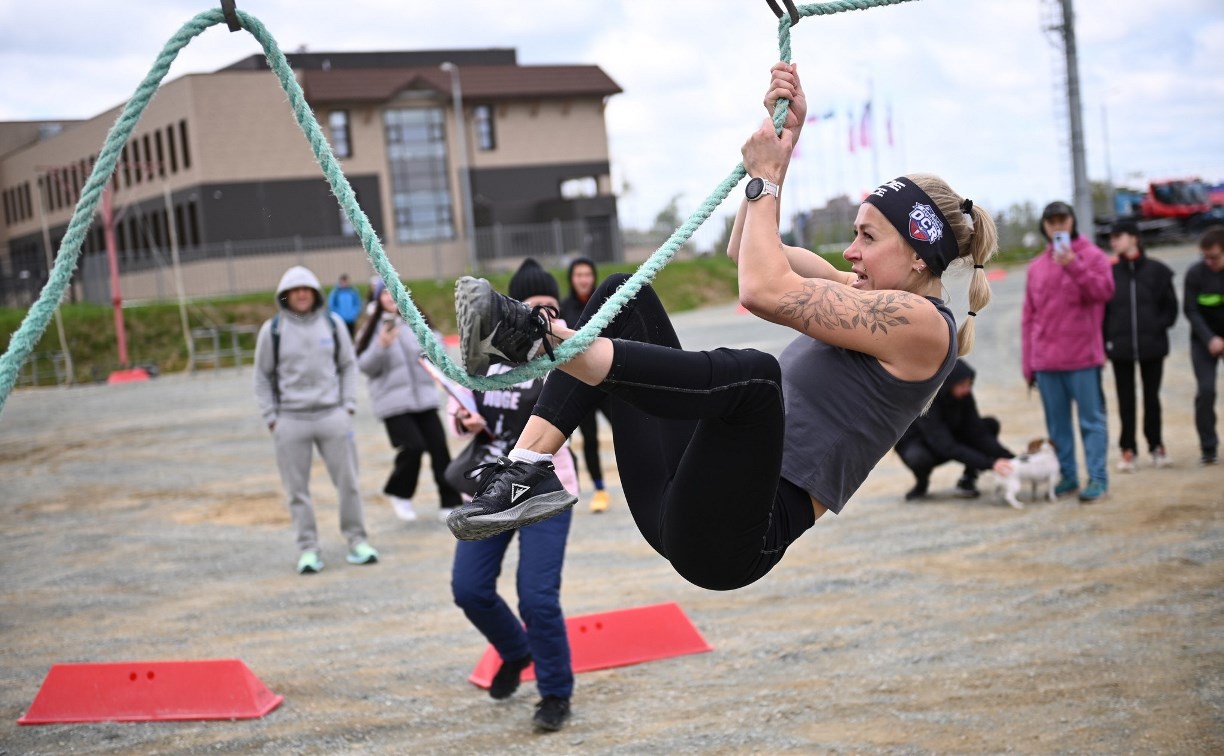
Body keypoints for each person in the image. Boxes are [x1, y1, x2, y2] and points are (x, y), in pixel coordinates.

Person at [444, 62, 999, 592]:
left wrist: (768, 177)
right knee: (622, 295)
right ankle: (526, 469)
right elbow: (748, 251)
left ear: (921, 257)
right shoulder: (861, 294)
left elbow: (760, 289)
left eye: (869, 238)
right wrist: (786, 141)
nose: (851, 252)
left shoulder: (924, 327)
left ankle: (540, 338)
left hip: (735, 538)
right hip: (684, 493)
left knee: (757, 381)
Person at [448, 258, 577, 732]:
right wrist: (464, 421)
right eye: (534, 308)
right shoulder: (487, 357)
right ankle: (515, 650)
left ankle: (555, 693)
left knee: (537, 598)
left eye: (553, 308)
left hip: (546, 489)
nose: (545, 317)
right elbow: (458, 404)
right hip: (490, 489)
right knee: (469, 589)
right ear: (512, 309)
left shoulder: (568, 355)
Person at [253, 265, 379, 574]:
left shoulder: (333, 325)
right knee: (297, 490)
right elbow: (261, 377)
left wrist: (347, 407)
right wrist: (272, 418)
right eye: (294, 290)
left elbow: (348, 366)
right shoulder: (273, 331)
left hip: (331, 415)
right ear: (285, 295)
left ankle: (357, 541)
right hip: (290, 421)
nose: (300, 295)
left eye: (306, 289)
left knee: (348, 482)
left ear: (315, 293)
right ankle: (308, 549)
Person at [1022, 201, 1115, 503]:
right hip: (1047, 361)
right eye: (1051, 222)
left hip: (1083, 358)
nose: (1057, 226)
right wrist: (1029, 363)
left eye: (1062, 220)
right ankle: (1068, 475)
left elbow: (1104, 291)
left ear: (1073, 221)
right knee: (1057, 427)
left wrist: (1074, 264)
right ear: (1044, 226)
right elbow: (1028, 317)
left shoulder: (1094, 257)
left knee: (1091, 421)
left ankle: (1098, 478)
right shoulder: (1036, 267)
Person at [355, 286, 462, 523]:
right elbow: (365, 366)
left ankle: (450, 501)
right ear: (377, 299)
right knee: (413, 447)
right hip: (393, 403)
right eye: (384, 293)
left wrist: (432, 338)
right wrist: (381, 344)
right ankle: (399, 493)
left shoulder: (417, 321)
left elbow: (440, 352)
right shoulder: (371, 329)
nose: (390, 297)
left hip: (423, 398)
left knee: (439, 449)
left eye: (393, 292)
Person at [1103, 218, 1179, 471]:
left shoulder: (1158, 271)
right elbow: (1102, 311)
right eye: (1111, 237)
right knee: (1126, 400)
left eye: (1118, 236)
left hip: (1152, 346)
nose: (1113, 241)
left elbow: (1171, 309)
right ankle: (1128, 450)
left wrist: (1157, 328)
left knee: (1152, 398)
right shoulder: (1109, 273)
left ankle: (1156, 446)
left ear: (1134, 237)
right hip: (1120, 348)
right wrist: (1107, 339)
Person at [894, 359, 1015, 501]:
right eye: (962, 385)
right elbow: (945, 446)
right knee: (919, 458)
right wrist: (990, 464)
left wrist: (1011, 459)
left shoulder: (964, 396)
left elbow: (979, 433)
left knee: (989, 425)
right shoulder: (926, 401)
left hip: (948, 438)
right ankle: (922, 483)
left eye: (969, 384)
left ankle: (968, 479)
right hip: (920, 444)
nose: (967, 389)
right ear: (947, 384)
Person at [559, 256, 613, 513]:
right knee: (589, 438)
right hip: (580, 384)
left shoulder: (605, 304)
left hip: (609, 383)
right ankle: (600, 489)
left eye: (587, 275)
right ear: (572, 278)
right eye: (578, 275)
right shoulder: (563, 308)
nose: (583, 280)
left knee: (630, 427)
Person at [1185, 226, 1224, 465]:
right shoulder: (1195, 274)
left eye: (1215, 257)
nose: (1209, 262)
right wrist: (1210, 338)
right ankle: (1208, 447)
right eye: (1205, 257)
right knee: (1206, 390)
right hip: (1204, 340)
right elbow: (1190, 310)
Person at [327, 273, 363, 337]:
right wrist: (338, 315)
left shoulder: (353, 291)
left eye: (346, 282)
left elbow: (357, 303)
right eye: (343, 282)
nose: (344, 284)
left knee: (351, 336)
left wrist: (354, 313)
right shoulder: (335, 292)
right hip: (340, 320)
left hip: (351, 319)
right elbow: (332, 305)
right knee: (341, 336)